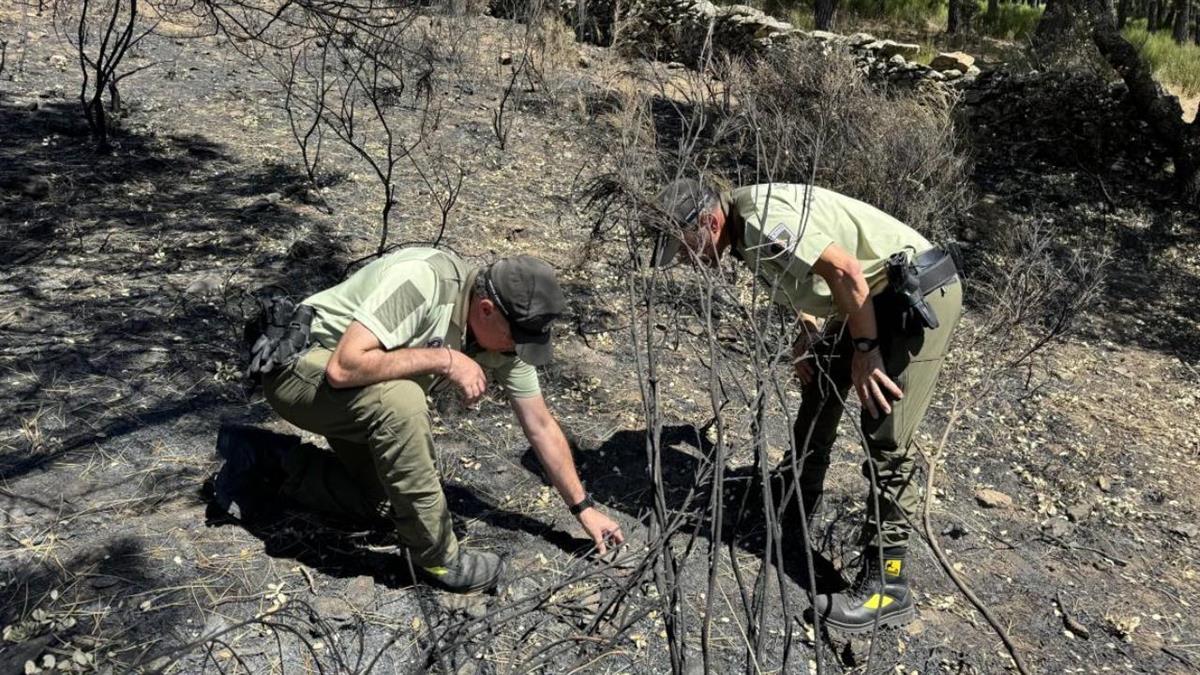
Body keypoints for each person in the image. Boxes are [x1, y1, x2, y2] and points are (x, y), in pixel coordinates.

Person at [214, 247, 625, 593]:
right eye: (519, 339)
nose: (519, 352)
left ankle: (266, 459)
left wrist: (583, 508)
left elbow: (540, 424)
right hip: (300, 371)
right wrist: (445, 358)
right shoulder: (423, 281)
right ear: (487, 310)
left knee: (385, 503)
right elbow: (344, 367)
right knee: (404, 399)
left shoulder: (501, 342)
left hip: (354, 396)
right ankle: (436, 560)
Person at [651, 180, 962, 632]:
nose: (687, 260)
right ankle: (796, 497)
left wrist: (867, 348)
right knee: (821, 383)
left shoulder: (757, 220)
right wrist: (809, 328)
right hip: (872, 297)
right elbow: (811, 276)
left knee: (886, 430)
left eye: (685, 248)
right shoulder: (743, 228)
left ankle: (888, 586)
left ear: (708, 222)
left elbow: (847, 272)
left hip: (915, 296)